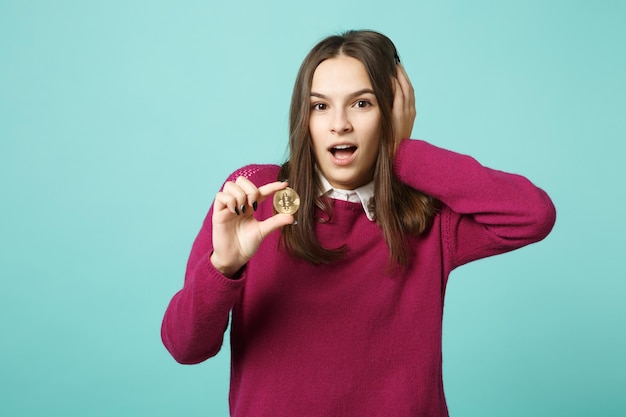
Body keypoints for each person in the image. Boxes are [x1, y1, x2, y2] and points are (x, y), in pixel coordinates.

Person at [161, 30, 556, 416]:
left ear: (391, 111)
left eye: (362, 104)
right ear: (305, 119)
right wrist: (223, 267)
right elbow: (185, 346)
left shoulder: (426, 218)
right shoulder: (255, 196)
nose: (339, 124)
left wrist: (400, 151)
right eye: (320, 106)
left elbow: (532, 215)